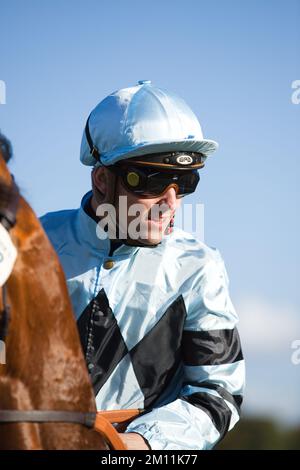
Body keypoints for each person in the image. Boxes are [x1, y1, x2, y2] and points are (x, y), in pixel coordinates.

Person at [41, 80, 245, 450]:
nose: (171, 202)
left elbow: (218, 393)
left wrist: (135, 446)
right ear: (102, 179)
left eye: (184, 182)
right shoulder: (32, 245)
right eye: (150, 181)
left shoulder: (200, 267)